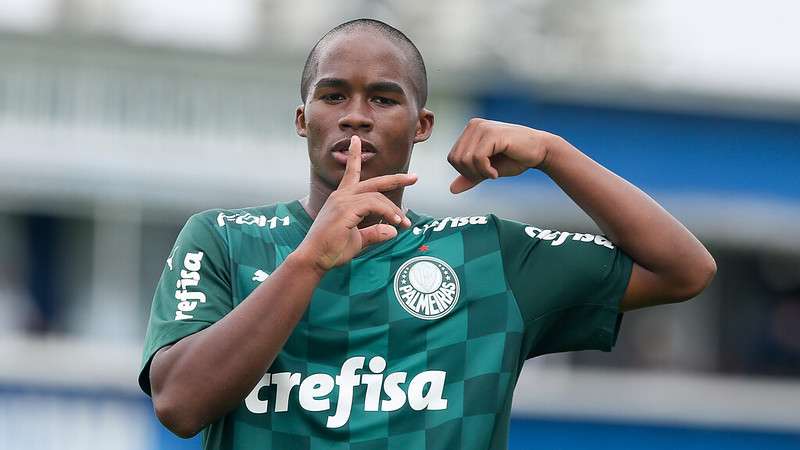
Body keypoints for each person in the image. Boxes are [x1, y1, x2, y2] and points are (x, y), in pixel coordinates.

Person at [139, 18, 716, 450]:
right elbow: (179, 405)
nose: (356, 115)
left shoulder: (487, 255)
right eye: (333, 95)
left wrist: (552, 153)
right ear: (302, 119)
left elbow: (685, 270)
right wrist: (309, 261)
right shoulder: (223, 238)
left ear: (422, 127)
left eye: (383, 99)